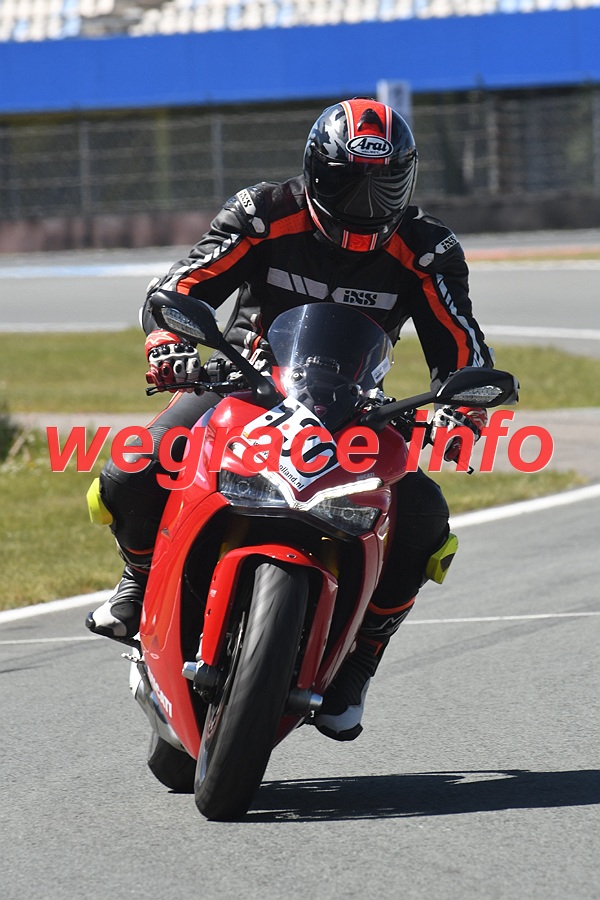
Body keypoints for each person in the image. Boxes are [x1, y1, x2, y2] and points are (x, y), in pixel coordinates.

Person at [86, 98, 493, 741]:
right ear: (313, 172)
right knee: (136, 463)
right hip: (243, 385)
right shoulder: (263, 212)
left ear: (408, 182)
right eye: (346, 182)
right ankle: (137, 581)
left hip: (352, 410)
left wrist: (461, 407)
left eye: (384, 185)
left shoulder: (427, 249)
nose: (364, 202)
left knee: (422, 518)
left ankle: (359, 662)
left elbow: (462, 344)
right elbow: (182, 285)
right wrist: (170, 340)